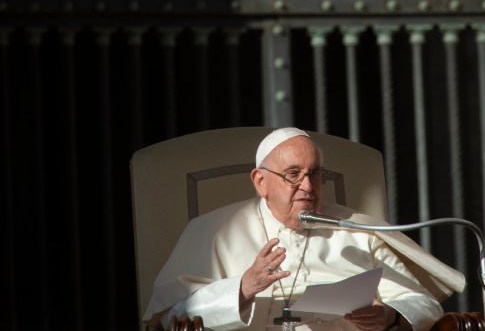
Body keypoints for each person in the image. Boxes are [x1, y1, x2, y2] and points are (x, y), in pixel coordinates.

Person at [143, 127, 465, 331]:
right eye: (293, 174)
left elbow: (424, 304)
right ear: (260, 181)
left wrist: (391, 316)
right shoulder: (212, 231)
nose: (307, 186)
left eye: (315, 174)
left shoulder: (357, 231)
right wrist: (242, 288)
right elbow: (176, 317)